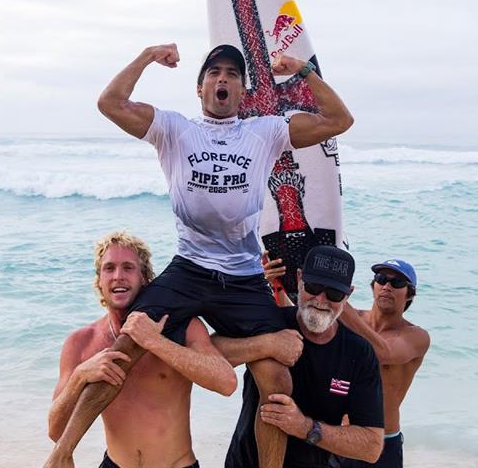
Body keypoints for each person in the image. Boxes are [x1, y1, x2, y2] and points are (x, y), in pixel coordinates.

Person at [44, 43, 354, 468]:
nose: (222, 78)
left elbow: (339, 121)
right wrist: (148, 56)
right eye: (214, 72)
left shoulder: (266, 131)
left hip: (243, 275)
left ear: (242, 91)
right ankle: (61, 454)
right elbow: (110, 103)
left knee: (277, 378)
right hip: (189, 267)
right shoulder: (174, 129)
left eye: (232, 74)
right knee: (126, 344)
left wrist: (302, 70)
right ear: (200, 87)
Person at [48, 231, 237, 468]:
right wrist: (80, 376)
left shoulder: (182, 328)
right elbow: (56, 431)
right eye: (109, 268)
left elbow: (226, 382)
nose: (118, 276)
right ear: (99, 280)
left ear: (145, 278)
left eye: (128, 268)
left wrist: (155, 342)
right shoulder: (81, 342)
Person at [216, 245, 385, 468]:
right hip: (245, 462)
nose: (321, 300)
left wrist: (305, 427)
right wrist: (265, 344)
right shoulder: (270, 322)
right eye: (313, 287)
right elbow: (210, 351)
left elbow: (372, 447)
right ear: (299, 279)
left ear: (348, 295)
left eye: (334, 294)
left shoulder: (359, 353)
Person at [335, 259, 430, 468]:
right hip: (337, 436)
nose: (387, 286)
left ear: (410, 294)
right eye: (381, 279)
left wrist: (339, 301)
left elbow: (383, 353)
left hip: (382, 443)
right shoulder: (351, 317)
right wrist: (277, 286)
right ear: (373, 286)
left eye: (397, 283)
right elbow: (303, 319)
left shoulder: (416, 336)